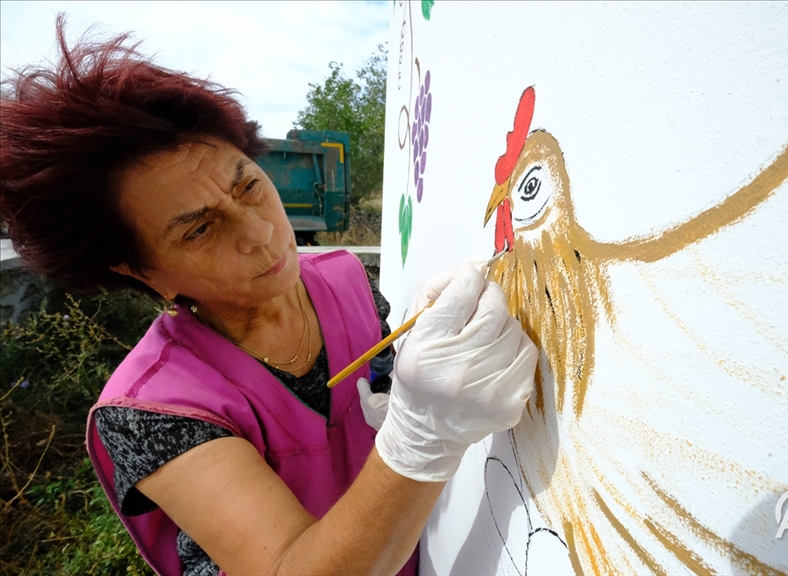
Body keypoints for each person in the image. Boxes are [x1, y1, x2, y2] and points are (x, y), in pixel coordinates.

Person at [0, 19, 538, 576]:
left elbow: (383, 383)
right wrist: (422, 435)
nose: (259, 234)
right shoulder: (151, 408)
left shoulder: (346, 277)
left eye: (249, 187)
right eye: (199, 230)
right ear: (140, 271)